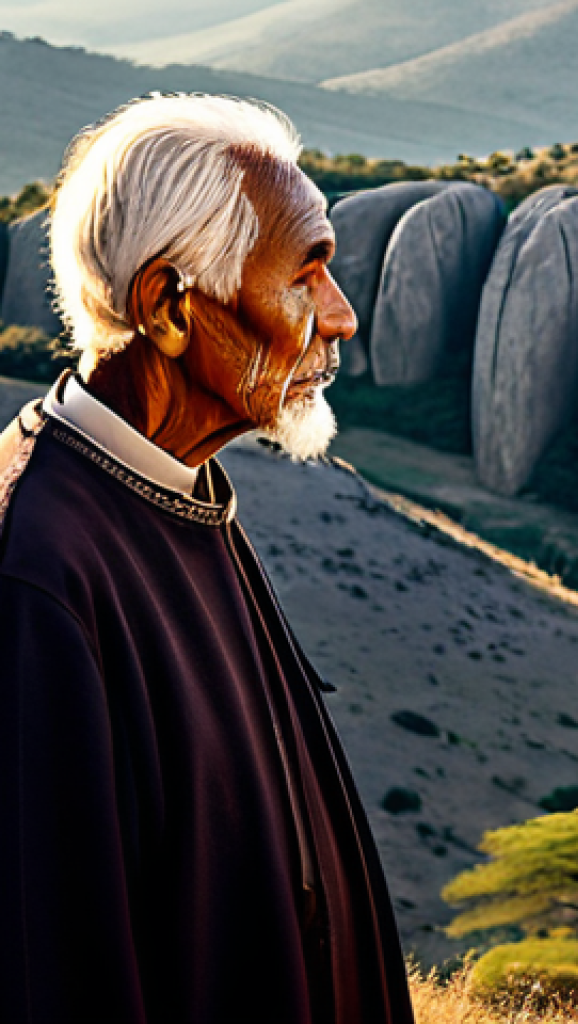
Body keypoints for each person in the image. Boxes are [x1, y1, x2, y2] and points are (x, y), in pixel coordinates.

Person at [0, 94, 415, 1024]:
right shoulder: (38, 570)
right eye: (305, 275)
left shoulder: (173, 488)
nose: (340, 318)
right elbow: (48, 965)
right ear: (170, 307)